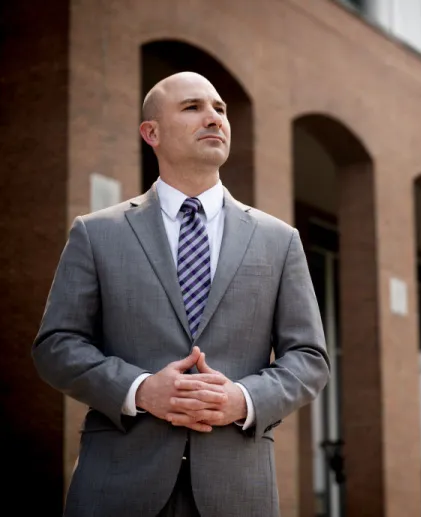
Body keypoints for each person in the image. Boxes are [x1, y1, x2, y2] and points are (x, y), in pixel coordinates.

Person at [32, 71, 330, 517]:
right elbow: (56, 346)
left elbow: (309, 357)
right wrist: (140, 389)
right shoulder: (97, 234)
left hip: (237, 490)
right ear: (151, 132)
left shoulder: (279, 240)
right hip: (117, 486)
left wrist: (242, 400)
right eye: (192, 107)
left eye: (220, 109)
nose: (213, 117)